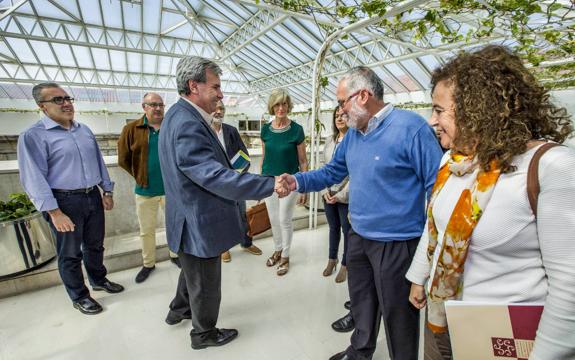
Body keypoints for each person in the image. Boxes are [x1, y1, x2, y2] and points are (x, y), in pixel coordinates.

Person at [405, 45, 575, 360]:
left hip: (504, 336)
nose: (432, 120)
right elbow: (436, 230)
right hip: (442, 322)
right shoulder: (451, 162)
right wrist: (419, 278)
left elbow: (570, 286)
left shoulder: (550, 167)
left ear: (476, 109)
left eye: (439, 110)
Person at [279, 66, 443, 360]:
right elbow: (332, 171)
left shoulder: (411, 128)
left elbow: (438, 190)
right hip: (358, 235)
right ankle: (360, 351)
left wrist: (429, 252)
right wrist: (297, 180)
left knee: (398, 315)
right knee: (361, 301)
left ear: (363, 96)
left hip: (397, 243)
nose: (340, 110)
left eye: (342, 101)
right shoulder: (354, 135)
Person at [158, 56, 286, 350]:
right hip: (198, 222)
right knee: (205, 281)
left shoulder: (177, 116)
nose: (220, 93)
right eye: (215, 86)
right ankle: (203, 334)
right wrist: (269, 183)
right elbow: (215, 176)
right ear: (194, 86)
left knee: (191, 272)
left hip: (185, 216)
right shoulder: (188, 123)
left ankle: (178, 310)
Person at [17, 82, 124, 315]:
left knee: (95, 245)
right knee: (70, 253)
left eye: (67, 98)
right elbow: (34, 178)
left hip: (92, 196)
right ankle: (79, 296)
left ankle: (98, 280)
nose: (66, 103)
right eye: (57, 100)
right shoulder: (33, 136)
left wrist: (106, 191)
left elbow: (98, 161)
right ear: (42, 106)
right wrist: (55, 212)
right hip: (64, 201)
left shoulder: (83, 130)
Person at [117, 92, 179, 284]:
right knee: (147, 230)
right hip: (145, 191)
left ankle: (175, 256)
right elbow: (123, 159)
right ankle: (148, 264)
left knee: (174, 226)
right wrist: (141, 176)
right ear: (144, 107)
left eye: (160, 104)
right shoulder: (131, 129)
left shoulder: (172, 126)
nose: (157, 108)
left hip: (172, 190)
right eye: (152, 104)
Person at [261, 88, 308, 276]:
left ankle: (286, 256)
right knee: (274, 220)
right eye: (277, 104)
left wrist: (304, 187)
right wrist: (259, 183)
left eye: (284, 104)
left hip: (290, 182)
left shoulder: (296, 130)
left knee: (284, 219)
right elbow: (264, 158)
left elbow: (303, 161)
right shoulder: (265, 130)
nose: (281, 108)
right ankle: (278, 249)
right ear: (272, 107)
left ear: (288, 105)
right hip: (268, 182)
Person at [211, 100, 263, 262]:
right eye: (216, 108)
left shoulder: (231, 131)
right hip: (215, 182)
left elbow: (244, 154)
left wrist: (237, 174)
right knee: (219, 216)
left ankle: (246, 243)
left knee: (241, 214)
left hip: (235, 180)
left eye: (221, 108)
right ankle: (223, 248)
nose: (218, 111)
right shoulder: (204, 131)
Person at [321, 106, 351, 283]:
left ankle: (345, 264)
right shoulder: (329, 140)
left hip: (344, 194)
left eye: (343, 116)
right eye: (336, 116)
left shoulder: (353, 141)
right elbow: (323, 166)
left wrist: (340, 194)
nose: (339, 119)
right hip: (328, 192)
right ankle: (332, 259)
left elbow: (353, 172)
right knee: (333, 228)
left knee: (347, 230)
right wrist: (324, 190)